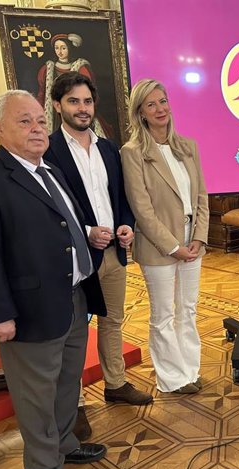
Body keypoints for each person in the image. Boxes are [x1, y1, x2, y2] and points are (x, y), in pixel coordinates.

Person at [0, 90, 107, 469]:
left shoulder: (50, 169)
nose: (37, 128)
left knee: (64, 386)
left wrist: (88, 235)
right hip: (29, 311)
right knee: (36, 397)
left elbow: (59, 225)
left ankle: (65, 444)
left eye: (40, 120)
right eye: (25, 121)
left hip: (73, 299)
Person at [44, 72, 153, 437]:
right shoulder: (48, 150)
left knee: (113, 321)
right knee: (74, 331)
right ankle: (73, 405)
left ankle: (116, 383)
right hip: (75, 256)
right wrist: (86, 231)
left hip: (112, 253)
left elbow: (120, 197)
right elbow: (51, 209)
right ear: (58, 105)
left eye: (87, 101)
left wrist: (125, 225)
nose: (82, 108)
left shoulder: (109, 148)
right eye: (74, 101)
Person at [121, 79, 209, 394]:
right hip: (159, 245)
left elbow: (201, 197)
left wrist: (198, 237)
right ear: (141, 113)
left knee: (188, 308)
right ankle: (172, 378)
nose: (161, 109)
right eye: (151, 104)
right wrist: (174, 247)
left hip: (192, 239)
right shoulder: (131, 153)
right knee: (164, 313)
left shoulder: (188, 147)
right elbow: (142, 210)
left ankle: (190, 369)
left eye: (163, 101)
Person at [36, 33, 112, 138]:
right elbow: (41, 94)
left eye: (63, 48)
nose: (60, 51)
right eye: (57, 48)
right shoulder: (47, 69)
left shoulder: (81, 67)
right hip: (54, 117)